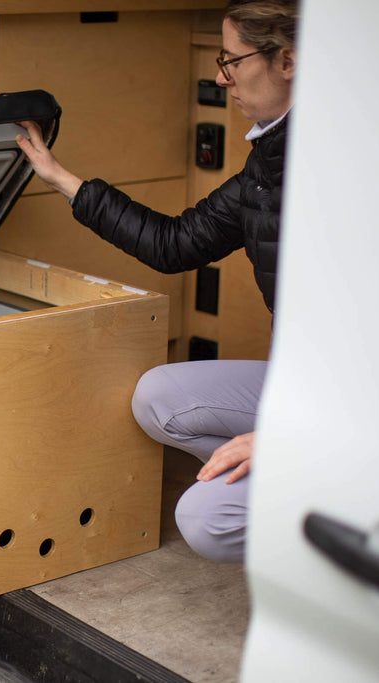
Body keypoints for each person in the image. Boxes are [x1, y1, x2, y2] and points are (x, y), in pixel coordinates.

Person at [16, 0, 298, 563]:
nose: (220, 76)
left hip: (376, 406)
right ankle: (295, 488)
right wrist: (60, 179)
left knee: (203, 518)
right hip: (310, 384)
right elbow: (173, 245)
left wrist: (294, 440)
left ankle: (327, 496)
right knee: (158, 397)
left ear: (287, 60)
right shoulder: (265, 165)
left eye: (231, 60)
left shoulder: (353, 164)